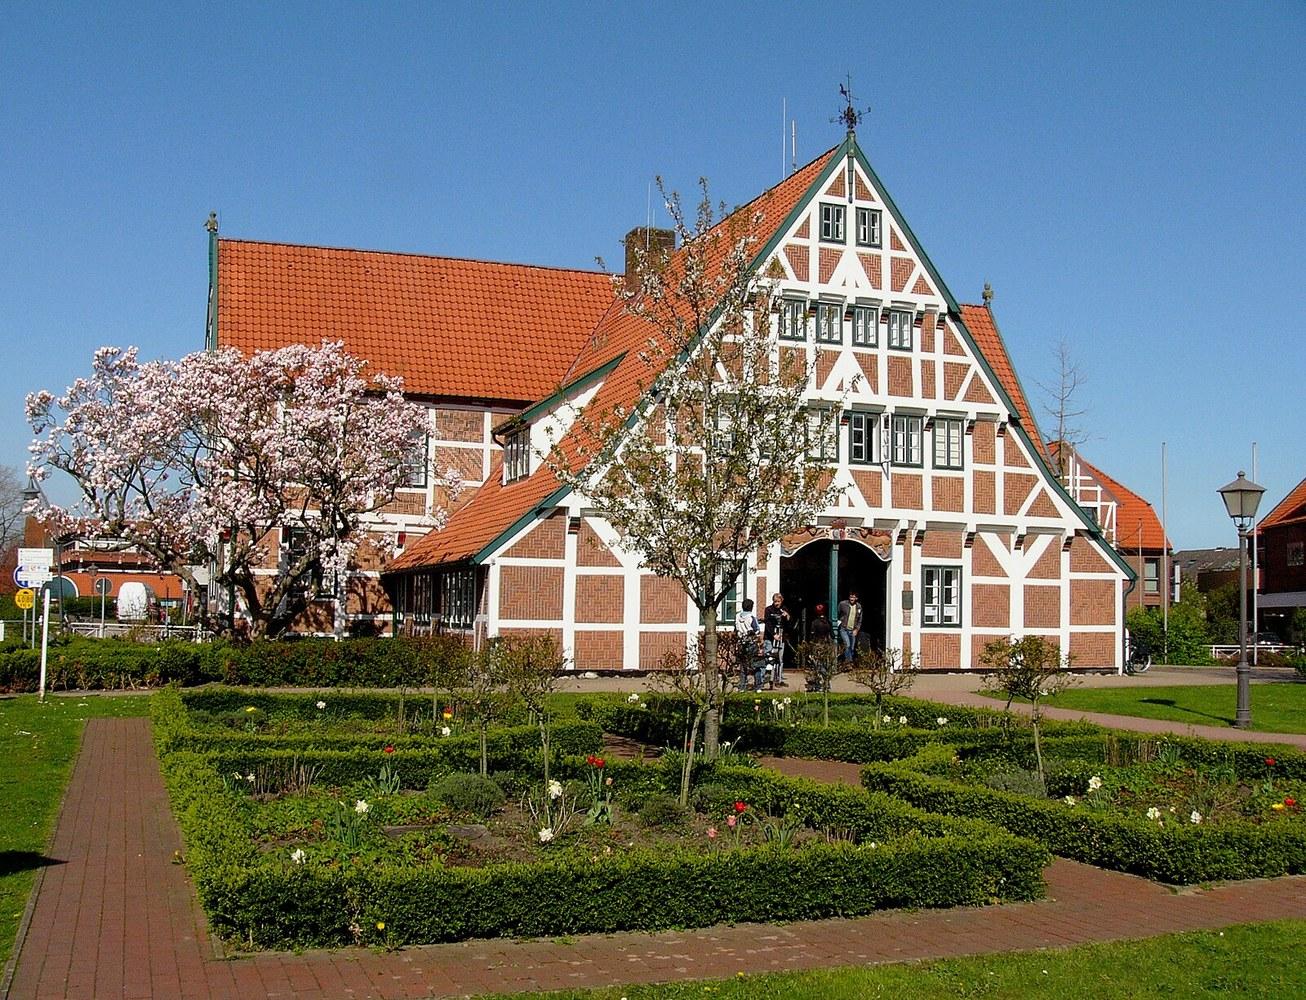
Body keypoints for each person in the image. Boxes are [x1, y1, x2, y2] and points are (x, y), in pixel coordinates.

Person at [762, 593, 792, 687]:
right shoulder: (768, 610)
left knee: (779, 658)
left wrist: (787, 617)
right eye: (775, 601)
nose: (776, 604)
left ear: (781, 601)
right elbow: (767, 623)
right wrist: (774, 634)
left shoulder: (784, 609)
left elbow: (789, 624)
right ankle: (764, 679)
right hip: (769, 638)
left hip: (781, 638)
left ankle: (778, 679)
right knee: (769, 657)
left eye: (778, 602)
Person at [734, 597, 762, 691]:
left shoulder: (737, 617)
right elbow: (757, 631)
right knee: (756, 665)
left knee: (743, 665)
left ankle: (742, 686)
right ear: (752, 607)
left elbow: (736, 630)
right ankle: (758, 686)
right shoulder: (751, 618)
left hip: (741, 643)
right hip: (751, 643)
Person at [837, 591, 862, 663]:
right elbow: (837, 613)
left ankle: (849, 661)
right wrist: (839, 622)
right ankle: (848, 662)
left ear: (856, 598)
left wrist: (857, 629)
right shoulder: (842, 604)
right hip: (844, 628)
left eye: (853, 597)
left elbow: (860, 619)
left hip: (852, 630)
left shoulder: (858, 607)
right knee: (847, 644)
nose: (852, 598)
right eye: (851, 597)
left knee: (852, 647)